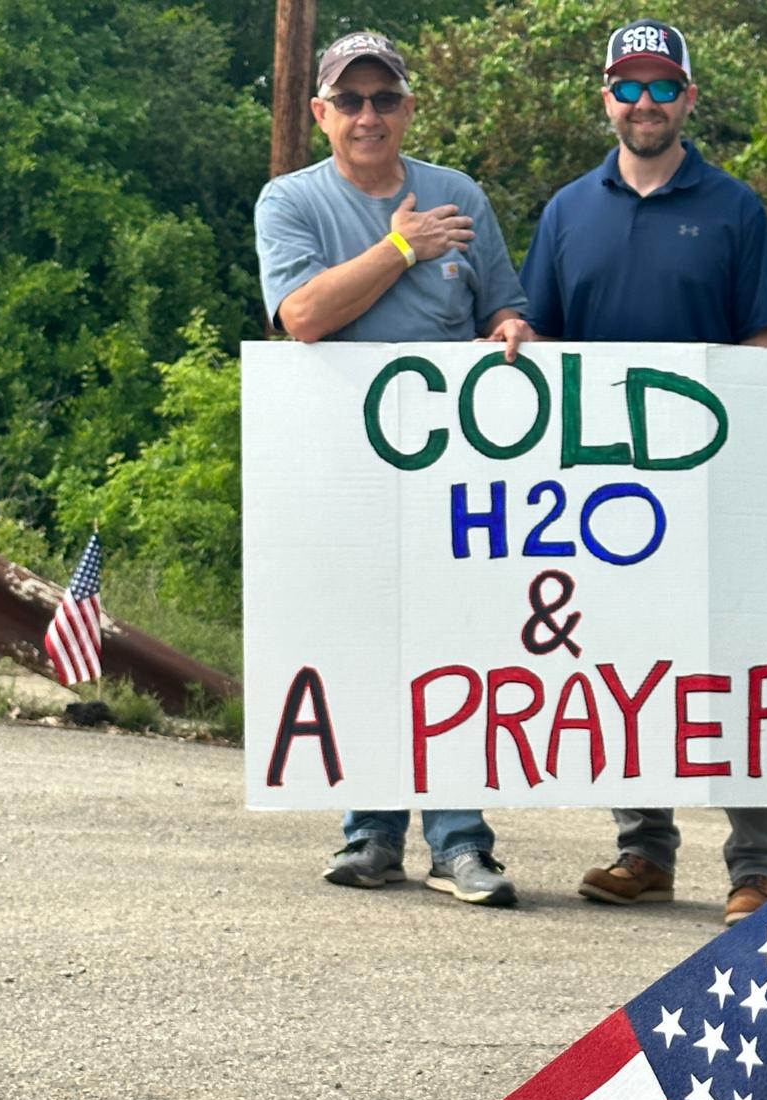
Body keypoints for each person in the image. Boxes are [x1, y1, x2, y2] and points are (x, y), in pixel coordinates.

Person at [254, 31, 533, 907]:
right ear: (320, 114)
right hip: (342, 465)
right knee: (363, 638)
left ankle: (461, 844)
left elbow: (504, 304)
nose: (369, 115)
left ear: (409, 108)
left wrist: (512, 332)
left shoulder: (461, 195)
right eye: (351, 101)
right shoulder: (289, 202)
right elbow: (299, 316)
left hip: (456, 467)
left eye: (385, 99)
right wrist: (400, 247)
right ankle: (370, 834)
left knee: (456, 644)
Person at [520, 19, 767, 926]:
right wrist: (514, 338)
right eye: (626, 87)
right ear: (605, 97)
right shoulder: (566, 210)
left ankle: (754, 865)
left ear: (689, 99)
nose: (644, 103)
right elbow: (543, 336)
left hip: (709, 482)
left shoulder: (734, 206)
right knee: (627, 656)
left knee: (728, 662)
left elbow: (762, 343)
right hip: (601, 490)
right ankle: (645, 849)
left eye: (660, 86)